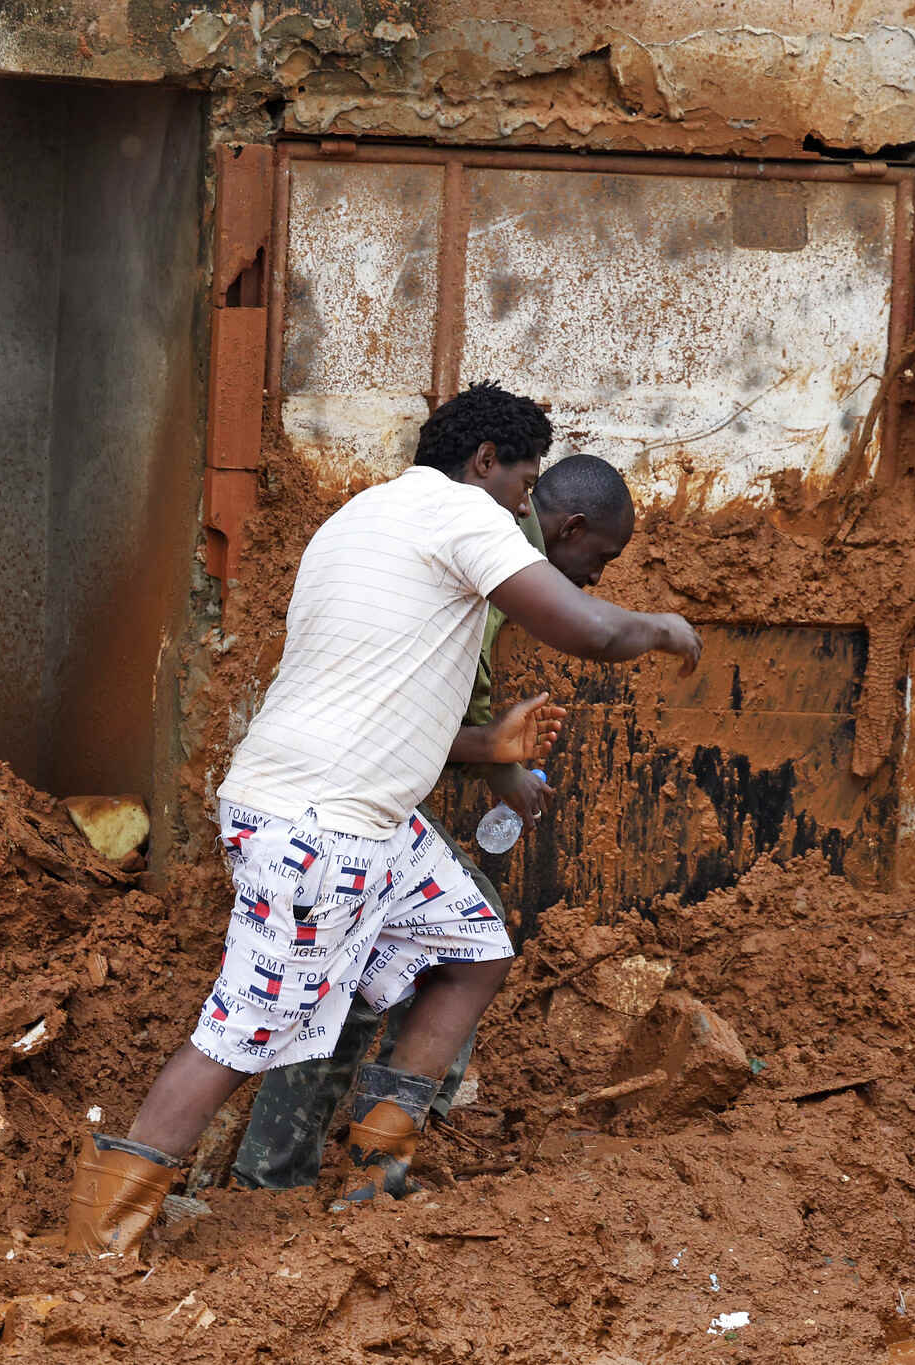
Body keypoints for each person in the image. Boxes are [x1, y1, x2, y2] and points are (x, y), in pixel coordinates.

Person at [66, 384, 700, 1256]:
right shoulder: (464, 514)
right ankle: (101, 1238)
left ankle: (374, 1181)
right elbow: (591, 632)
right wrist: (662, 628)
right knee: (242, 1028)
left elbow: (380, 696)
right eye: (523, 480)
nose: (526, 503)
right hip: (322, 827)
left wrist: (490, 743)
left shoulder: (361, 517)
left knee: (474, 942)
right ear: (485, 462)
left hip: (350, 813)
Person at [230, 452, 640, 1192]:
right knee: (366, 969)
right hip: (336, 800)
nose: (596, 577)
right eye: (600, 557)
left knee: (440, 944)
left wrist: (494, 758)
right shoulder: (485, 551)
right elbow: (408, 715)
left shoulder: (418, 534)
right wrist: (494, 753)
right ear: (569, 525)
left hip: (329, 791)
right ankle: (311, 1172)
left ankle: (336, 1164)